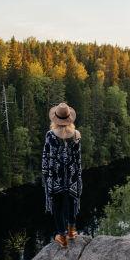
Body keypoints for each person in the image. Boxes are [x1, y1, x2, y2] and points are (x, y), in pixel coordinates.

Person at [41, 102, 82, 248]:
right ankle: (71, 231)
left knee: (57, 207)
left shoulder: (50, 136)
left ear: (55, 120)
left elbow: (45, 158)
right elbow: (78, 160)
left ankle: (62, 236)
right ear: (69, 119)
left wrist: (46, 176)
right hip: (71, 178)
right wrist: (77, 177)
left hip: (56, 178)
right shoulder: (76, 135)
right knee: (71, 204)